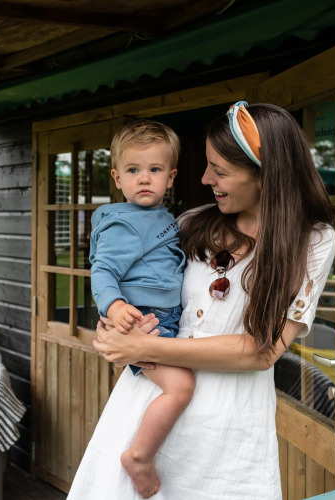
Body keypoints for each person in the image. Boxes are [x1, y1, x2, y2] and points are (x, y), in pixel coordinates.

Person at [67, 102, 335, 499]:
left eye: (220, 170)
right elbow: (130, 288)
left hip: (228, 423)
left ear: (268, 175)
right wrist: (116, 326)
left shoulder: (313, 241)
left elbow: (261, 351)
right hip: (148, 408)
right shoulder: (190, 224)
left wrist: (143, 345)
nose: (205, 176)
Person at [89, 120, 193, 498]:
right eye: (133, 170)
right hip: (143, 320)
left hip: (161, 316)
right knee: (180, 388)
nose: (144, 178)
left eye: (155, 169)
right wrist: (115, 306)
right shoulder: (124, 224)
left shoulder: (162, 218)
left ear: (171, 177)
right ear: (117, 178)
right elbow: (103, 271)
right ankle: (140, 457)